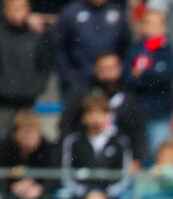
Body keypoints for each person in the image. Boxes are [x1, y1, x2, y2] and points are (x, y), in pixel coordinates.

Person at [60, 52, 148, 163]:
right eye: (103, 69)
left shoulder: (129, 99)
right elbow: (67, 124)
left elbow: (137, 131)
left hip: (118, 156)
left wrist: (137, 158)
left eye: (112, 68)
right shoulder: (82, 96)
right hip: (85, 154)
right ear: (95, 70)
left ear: (120, 68)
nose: (108, 74)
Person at [125, 8, 173, 163]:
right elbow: (129, 79)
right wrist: (152, 73)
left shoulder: (168, 52)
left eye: (157, 25)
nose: (153, 29)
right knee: (138, 157)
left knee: (159, 155)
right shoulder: (134, 50)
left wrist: (143, 73)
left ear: (164, 28)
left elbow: (166, 76)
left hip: (160, 113)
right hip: (137, 112)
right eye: (149, 24)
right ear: (142, 27)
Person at [52, 0, 132, 95]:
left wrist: (119, 71)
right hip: (78, 81)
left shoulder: (116, 11)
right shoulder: (71, 12)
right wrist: (68, 75)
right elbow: (58, 47)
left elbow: (126, 46)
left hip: (111, 83)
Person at [0, 0, 50, 140]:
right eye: (12, 8)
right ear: (5, 10)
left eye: (21, 8)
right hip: (3, 103)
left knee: (28, 141)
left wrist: (35, 89)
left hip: (28, 101)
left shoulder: (36, 38)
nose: (16, 12)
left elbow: (44, 67)